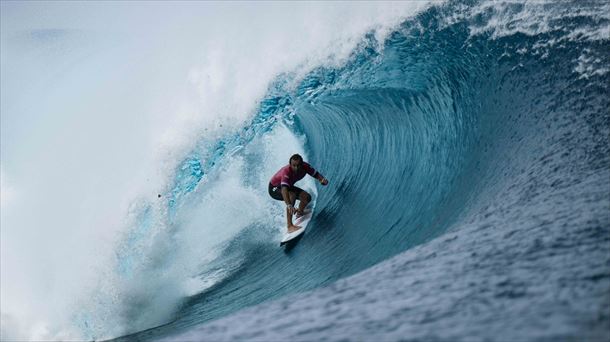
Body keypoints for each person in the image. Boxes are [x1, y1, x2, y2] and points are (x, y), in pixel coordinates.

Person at [269, 154, 328, 233]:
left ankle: (299, 212)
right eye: (294, 165)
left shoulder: (305, 167)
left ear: (302, 163)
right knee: (292, 196)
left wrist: (322, 180)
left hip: (288, 187)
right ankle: (290, 226)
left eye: (298, 165)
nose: (296, 168)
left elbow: (316, 174)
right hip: (274, 188)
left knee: (307, 198)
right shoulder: (286, 172)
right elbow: (284, 190)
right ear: (290, 165)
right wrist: (289, 205)